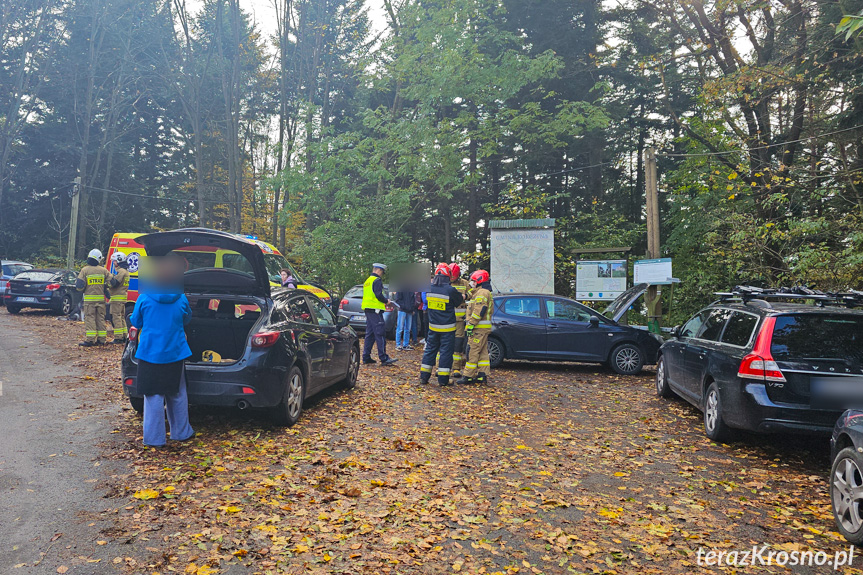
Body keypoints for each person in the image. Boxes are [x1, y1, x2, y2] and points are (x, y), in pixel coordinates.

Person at [129, 255, 195, 448]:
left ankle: (154, 438)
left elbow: (136, 321)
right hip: (175, 352)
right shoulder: (181, 298)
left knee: (153, 396)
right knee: (178, 393)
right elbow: (187, 319)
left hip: (150, 352)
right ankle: (181, 433)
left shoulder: (144, 297)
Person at [419, 263, 464, 386]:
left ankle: (424, 377)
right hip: (447, 328)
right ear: (447, 275)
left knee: (430, 350)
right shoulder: (450, 290)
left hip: (433, 326)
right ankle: (443, 380)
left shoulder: (429, 288)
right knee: (445, 353)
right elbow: (458, 301)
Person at [457, 269, 493, 384]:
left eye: (473, 281)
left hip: (478, 329)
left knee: (472, 351)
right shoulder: (481, 292)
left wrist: (471, 324)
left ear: (479, 280)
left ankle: (468, 376)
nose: (471, 283)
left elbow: (479, 311)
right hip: (483, 329)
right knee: (482, 352)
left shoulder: (482, 293)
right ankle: (482, 375)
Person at [362, 263, 397, 366]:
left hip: (368, 309)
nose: (382, 274)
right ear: (379, 270)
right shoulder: (377, 280)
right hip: (375, 310)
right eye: (382, 272)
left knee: (370, 334)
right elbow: (378, 295)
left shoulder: (368, 281)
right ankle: (383, 358)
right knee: (380, 333)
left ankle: (366, 357)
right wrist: (386, 301)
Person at [76, 248, 110, 347]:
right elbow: (112, 282)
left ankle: (90, 340)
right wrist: (105, 288)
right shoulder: (104, 270)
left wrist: (84, 290)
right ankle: (102, 340)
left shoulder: (85, 270)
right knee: (100, 319)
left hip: (89, 301)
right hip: (101, 300)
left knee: (90, 318)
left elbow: (79, 286)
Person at [449, 263, 471, 378]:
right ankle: (441, 367)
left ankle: (456, 368)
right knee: (445, 343)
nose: (452, 279)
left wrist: (465, 296)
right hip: (447, 319)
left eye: (454, 277)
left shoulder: (464, 283)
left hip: (459, 320)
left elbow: (473, 292)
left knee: (458, 344)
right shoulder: (444, 282)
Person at [108, 252, 131, 344]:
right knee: (121, 317)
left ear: (119, 261)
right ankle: (125, 335)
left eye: (114, 261)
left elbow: (115, 283)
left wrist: (109, 278)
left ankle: (118, 337)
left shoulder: (121, 272)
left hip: (117, 298)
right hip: (122, 298)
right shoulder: (126, 272)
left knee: (116, 317)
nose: (113, 263)